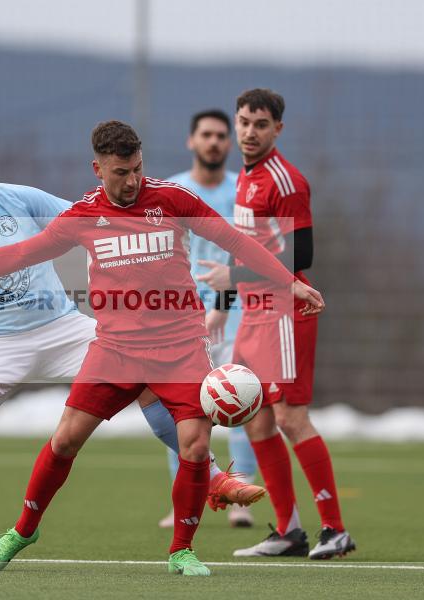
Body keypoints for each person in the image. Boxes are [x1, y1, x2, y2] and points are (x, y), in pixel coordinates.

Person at [0, 121, 325, 576]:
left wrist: (290, 284)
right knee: (65, 439)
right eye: (121, 172)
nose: (132, 181)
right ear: (98, 169)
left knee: (194, 443)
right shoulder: (83, 215)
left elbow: (235, 240)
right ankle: (23, 530)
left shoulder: (171, 199)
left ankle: (181, 551)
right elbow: (19, 254)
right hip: (116, 349)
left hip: (181, 347)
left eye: (138, 170)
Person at [197, 89, 355, 559]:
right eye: (243, 122)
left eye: (260, 124)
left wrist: (234, 277)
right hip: (252, 312)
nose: (248, 132)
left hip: (285, 312)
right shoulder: (246, 176)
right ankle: (288, 531)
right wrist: (225, 301)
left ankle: (336, 530)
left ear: (277, 129)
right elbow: (243, 243)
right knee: (255, 420)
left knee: (290, 417)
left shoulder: (285, 181)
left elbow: (300, 255)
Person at [150, 109, 260, 529]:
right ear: (191, 141)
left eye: (220, 135)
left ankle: (239, 494)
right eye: (206, 135)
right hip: (182, 316)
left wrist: (225, 302)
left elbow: (244, 252)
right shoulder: (173, 189)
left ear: (228, 143)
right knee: (179, 402)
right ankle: (184, 495)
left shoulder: (242, 191)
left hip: (236, 312)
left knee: (240, 398)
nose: (214, 142)